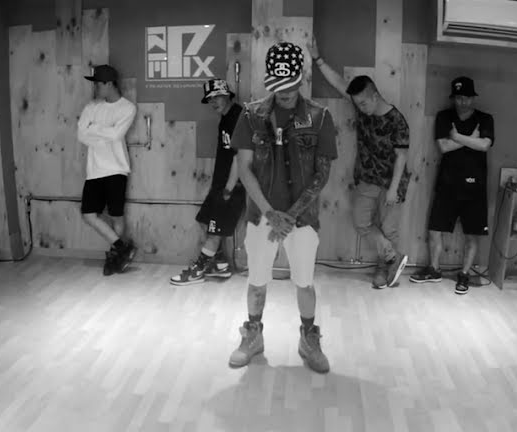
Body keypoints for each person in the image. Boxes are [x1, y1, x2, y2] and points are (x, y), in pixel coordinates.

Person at [228, 42, 337, 373]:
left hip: (301, 220)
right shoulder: (251, 116)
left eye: (290, 85)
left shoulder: (320, 117)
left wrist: (290, 216)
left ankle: (309, 339)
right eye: (278, 86)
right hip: (261, 216)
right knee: (257, 279)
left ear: (301, 78)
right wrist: (271, 213)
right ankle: (253, 335)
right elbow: (244, 168)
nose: (285, 93)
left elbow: (322, 174)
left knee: (304, 281)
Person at [308, 37, 410, 289]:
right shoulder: (360, 105)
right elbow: (338, 83)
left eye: (363, 103)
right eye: (357, 104)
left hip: (391, 182)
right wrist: (318, 59)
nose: (360, 108)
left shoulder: (397, 120)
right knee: (361, 222)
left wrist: (394, 189)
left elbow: (402, 157)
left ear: (374, 96)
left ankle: (383, 269)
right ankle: (393, 257)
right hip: (366, 178)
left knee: (389, 228)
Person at [409, 76, 494, 295]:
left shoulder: (485, 119)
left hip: (475, 187)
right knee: (435, 230)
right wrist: (470, 139)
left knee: (472, 235)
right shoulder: (444, 117)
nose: (462, 102)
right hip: (447, 184)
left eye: (466, 97)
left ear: (473, 98)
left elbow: (484, 145)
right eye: (458, 97)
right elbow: (444, 147)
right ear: (453, 98)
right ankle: (434, 269)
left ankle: (464, 274)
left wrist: (456, 136)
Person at [170, 79, 246, 285]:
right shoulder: (225, 118)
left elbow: (241, 156)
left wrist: (228, 189)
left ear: (227, 95)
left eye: (217, 97)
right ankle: (220, 265)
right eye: (210, 99)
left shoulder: (238, 117)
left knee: (214, 232)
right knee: (205, 220)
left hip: (232, 186)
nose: (213, 102)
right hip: (220, 185)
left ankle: (198, 271)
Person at [77, 65, 137, 276]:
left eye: (98, 84)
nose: (95, 88)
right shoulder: (91, 107)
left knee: (116, 216)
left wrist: (93, 129)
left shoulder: (127, 108)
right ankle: (122, 247)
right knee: (88, 214)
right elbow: (81, 136)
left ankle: (115, 256)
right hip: (94, 170)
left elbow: (116, 135)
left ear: (109, 84)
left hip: (117, 169)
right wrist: (104, 132)